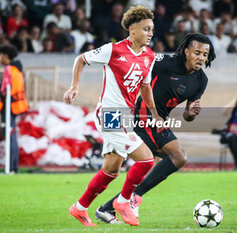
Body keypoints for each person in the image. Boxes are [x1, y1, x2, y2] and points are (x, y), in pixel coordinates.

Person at [96, 33, 216, 223]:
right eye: (197, 52)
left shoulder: (201, 80)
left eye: (205, 54)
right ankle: (131, 199)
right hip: (144, 116)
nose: (201, 57)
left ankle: (107, 209)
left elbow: (187, 116)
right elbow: (140, 65)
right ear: (186, 52)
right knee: (179, 156)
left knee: (149, 169)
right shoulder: (163, 62)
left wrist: (192, 112)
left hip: (159, 121)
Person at [63, 5, 162, 227]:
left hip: (125, 116)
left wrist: (154, 113)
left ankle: (79, 208)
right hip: (109, 114)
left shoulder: (149, 56)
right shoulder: (113, 50)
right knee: (146, 159)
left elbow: (145, 87)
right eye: (146, 29)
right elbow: (81, 59)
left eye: (152, 29)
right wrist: (74, 86)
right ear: (132, 29)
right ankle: (124, 202)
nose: (150, 33)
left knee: (111, 169)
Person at [0, 44, 29, 173]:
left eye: (0, 55)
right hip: (16, 107)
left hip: (9, 107)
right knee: (13, 137)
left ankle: (11, 168)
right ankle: (13, 167)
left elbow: (3, 91)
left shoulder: (9, 69)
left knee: (10, 137)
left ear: (6, 56)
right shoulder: (18, 69)